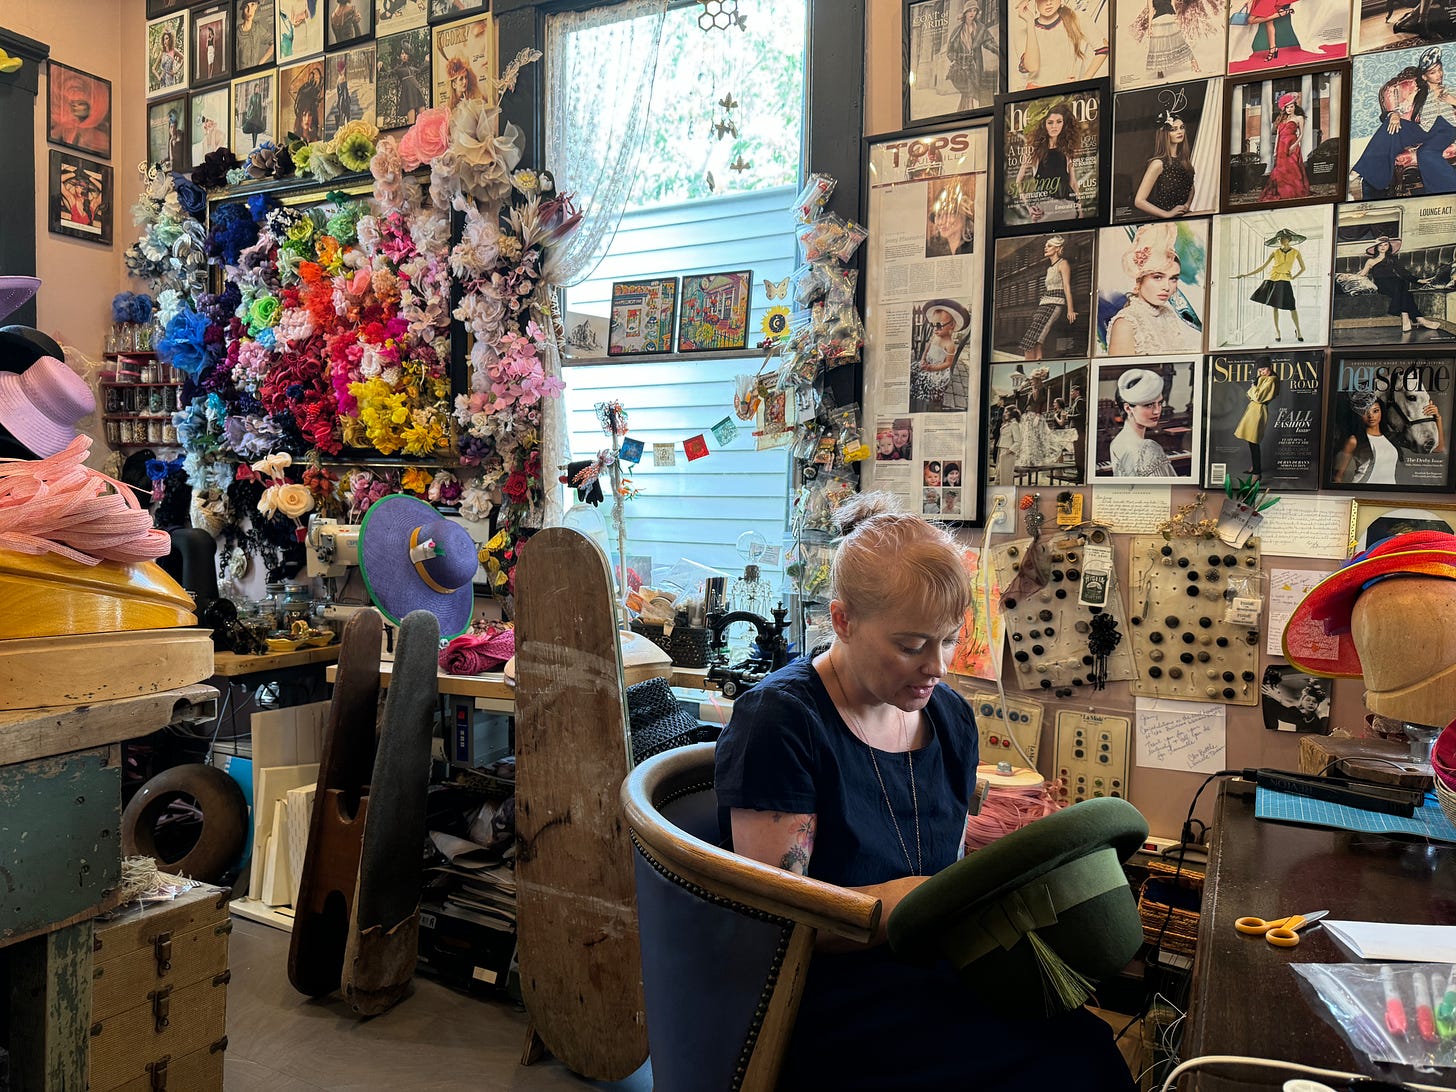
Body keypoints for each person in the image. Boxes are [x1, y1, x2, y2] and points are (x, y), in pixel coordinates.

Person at [714, 492, 1136, 1091]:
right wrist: (911, 899)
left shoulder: (951, 719)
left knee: (1088, 1046)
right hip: (825, 1001)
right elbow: (773, 923)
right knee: (1054, 1070)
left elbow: (951, 863)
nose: (936, 666)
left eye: (948, 639)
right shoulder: (781, 723)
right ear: (842, 621)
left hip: (936, 971)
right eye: (912, 646)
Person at [1351, 48, 1456, 199]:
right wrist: (1394, 114)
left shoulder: (1451, 89)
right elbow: (1404, 108)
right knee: (1390, 126)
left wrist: (1453, 101)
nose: (1439, 74)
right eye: (1433, 72)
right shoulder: (1420, 92)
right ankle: (1362, 170)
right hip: (1424, 128)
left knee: (1425, 153)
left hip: (1446, 129)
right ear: (1425, 77)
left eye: (1439, 70)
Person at [1106, 222, 1200, 355]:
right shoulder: (1126, 323)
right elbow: (1122, 375)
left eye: (1173, 278)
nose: (1167, 287)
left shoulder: (1167, 314)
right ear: (1140, 279)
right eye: (1158, 277)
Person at [1331, 389, 1443, 485]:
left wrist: (1437, 418)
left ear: (1381, 412)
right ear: (1359, 415)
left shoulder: (1392, 438)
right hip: (1363, 489)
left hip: (1388, 491)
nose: (1371, 416)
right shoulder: (1354, 440)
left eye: (1375, 411)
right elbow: (1337, 477)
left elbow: (1438, 448)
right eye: (1365, 412)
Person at [1013, 102, 1082, 223]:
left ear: (1064, 123)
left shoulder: (1067, 149)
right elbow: (1018, 181)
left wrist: (1080, 211)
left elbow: (1073, 182)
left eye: (1059, 121)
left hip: (1067, 207)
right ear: (1043, 124)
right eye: (1050, 122)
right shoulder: (1033, 150)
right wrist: (1029, 207)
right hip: (1043, 210)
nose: (1054, 126)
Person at [1236, 228, 1307, 343]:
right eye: (1279, 239)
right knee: (1275, 307)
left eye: (1283, 238)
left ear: (1288, 239)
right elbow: (1262, 267)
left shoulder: (1295, 252)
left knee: (1292, 308)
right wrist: (1245, 274)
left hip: (1285, 280)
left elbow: (1303, 268)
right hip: (1273, 280)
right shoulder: (1275, 252)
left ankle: (1298, 331)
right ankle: (1277, 331)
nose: (1281, 240)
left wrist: (1293, 277)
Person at [1016, 0, 1106, 88]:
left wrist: (1083, 81)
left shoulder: (1076, 18)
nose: (1048, 3)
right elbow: (1032, 67)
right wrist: (1030, 22)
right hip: (1035, 96)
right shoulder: (1024, 30)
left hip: (1066, 95)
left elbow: (1103, 48)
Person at [1360, 235, 1441, 333]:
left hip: (1396, 283)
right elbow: (1362, 275)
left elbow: (1403, 273)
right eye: (1380, 245)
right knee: (1404, 289)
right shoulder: (1370, 261)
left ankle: (1405, 315)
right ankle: (1419, 319)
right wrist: (1348, 277)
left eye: (1385, 245)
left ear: (1388, 247)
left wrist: (1419, 280)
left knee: (1401, 283)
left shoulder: (1392, 259)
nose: (1383, 247)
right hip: (1382, 285)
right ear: (1376, 247)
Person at [1110, 368, 1177, 476]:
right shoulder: (1149, 448)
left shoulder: (1116, 442)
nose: (1157, 411)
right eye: (1148, 405)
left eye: (1159, 403)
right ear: (1128, 408)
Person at [1019, 235, 1077, 361]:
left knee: (1031, 341)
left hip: (1054, 303)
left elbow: (1067, 287)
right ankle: (1037, 362)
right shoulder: (1050, 268)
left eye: (1049, 246)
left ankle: (1030, 363)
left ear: (1057, 248)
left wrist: (1070, 310)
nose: (1045, 248)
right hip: (1044, 303)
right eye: (1045, 246)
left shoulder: (1063, 264)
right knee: (1036, 341)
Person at [1133, 104, 1195, 219]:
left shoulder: (1184, 161)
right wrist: (1166, 214)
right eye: (1173, 129)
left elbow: (1191, 186)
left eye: (1182, 127)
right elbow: (1139, 201)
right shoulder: (1158, 163)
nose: (1179, 132)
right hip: (1163, 223)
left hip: (1183, 219)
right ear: (1165, 133)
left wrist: (1186, 205)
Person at [910, 301, 971, 413]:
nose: (935, 329)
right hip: (927, 362)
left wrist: (931, 368)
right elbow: (927, 348)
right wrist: (923, 359)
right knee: (913, 372)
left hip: (938, 370)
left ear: (951, 325)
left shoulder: (949, 344)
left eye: (939, 325)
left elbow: (948, 363)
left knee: (927, 382)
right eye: (933, 325)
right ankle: (914, 398)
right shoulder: (935, 336)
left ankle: (926, 403)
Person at [1261, 92, 1312, 201]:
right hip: (1281, 147)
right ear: (1284, 108)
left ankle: (1294, 191)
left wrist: (1295, 145)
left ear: (1295, 106)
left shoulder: (1299, 118)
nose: (1289, 109)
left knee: (1293, 168)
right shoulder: (1281, 119)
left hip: (1292, 145)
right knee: (1281, 170)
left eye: (1291, 106)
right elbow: (1278, 135)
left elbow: (1302, 134)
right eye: (1287, 107)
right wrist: (1275, 150)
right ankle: (1282, 191)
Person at [945, 0, 992, 111]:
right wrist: (954, 60)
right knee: (968, 93)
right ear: (965, 13)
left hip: (974, 66)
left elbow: (989, 42)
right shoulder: (958, 30)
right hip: (961, 67)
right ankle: (966, 112)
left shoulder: (980, 28)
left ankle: (963, 112)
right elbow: (949, 50)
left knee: (969, 93)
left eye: (974, 10)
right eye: (970, 11)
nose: (972, 13)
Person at [1234, 361, 1277, 479]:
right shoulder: (1264, 378)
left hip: (1258, 410)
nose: (1261, 372)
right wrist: (1255, 387)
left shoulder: (1271, 380)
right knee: (1250, 439)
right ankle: (1255, 466)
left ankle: (1257, 472)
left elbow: (1258, 397)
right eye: (1260, 370)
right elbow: (1249, 395)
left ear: (1270, 368)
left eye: (1263, 369)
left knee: (1254, 440)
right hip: (1253, 409)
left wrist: (1254, 386)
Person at [1262, 671, 1329, 732]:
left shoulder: (1319, 719)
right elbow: (1294, 710)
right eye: (1308, 700)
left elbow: (1294, 710)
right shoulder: (1297, 714)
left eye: (1314, 702)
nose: (1311, 703)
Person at [926, 180, 973, 258]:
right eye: (938, 215)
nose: (941, 221)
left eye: (949, 213)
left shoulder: (976, 245)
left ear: (963, 216)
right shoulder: (930, 247)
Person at [236, 0, 276, 70]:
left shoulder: (257, 28)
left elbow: (274, 43)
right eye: (246, 7)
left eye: (252, 5)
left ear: (256, 6)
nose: (249, 10)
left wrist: (260, 63)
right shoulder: (237, 33)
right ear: (243, 10)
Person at [393, 46, 428, 126]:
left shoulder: (411, 68)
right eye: (402, 53)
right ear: (400, 56)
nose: (404, 55)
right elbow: (388, 74)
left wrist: (426, 61)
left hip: (416, 91)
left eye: (406, 53)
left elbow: (420, 70)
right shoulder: (398, 69)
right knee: (411, 122)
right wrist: (381, 67)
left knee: (423, 119)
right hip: (408, 94)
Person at [292, 65, 323, 143]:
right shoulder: (293, 140)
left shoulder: (318, 140)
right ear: (299, 116)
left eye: (310, 115)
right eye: (304, 114)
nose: (307, 119)